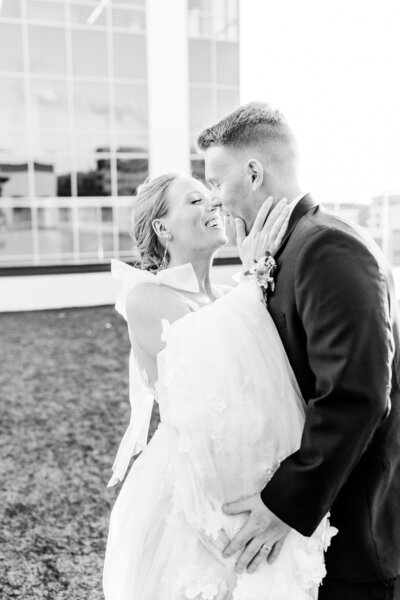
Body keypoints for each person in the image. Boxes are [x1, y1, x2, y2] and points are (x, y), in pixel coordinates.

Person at [197, 102, 400, 600]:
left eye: (217, 182)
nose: (214, 199)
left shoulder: (328, 248)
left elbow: (357, 395)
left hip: (356, 528)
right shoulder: (284, 249)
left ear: (253, 172)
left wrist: (285, 505)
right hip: (322, 532)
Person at [103, 173, 337, 600]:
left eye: (212, 197)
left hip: (254, 476)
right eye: (195, 200)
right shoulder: (147, 298)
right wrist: (255, 277)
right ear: (162, 228)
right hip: (197, 490)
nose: (213, 205)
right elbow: (207, 369)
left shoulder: (229, 295)